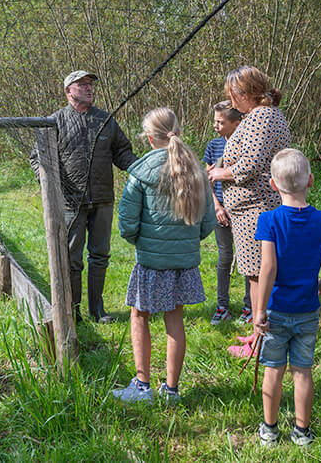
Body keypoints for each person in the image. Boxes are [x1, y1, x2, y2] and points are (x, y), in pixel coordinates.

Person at [112, 108, 216, 404]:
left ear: (149, 138)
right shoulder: (194, 168)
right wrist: (186, 241)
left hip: (151, 261)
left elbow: (127, 222)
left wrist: (142, 242)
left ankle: (143, 385)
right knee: (175, 318)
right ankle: (171, 390)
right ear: (177, 131)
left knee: (139, 315)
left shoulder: (142, 172)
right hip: (183, 261)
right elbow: (207, 221)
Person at [242, 148, 321, 447]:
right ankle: (302, 432)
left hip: (276, 310)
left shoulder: (269, 220)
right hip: (308, 309)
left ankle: (269, 429)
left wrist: (259, 312)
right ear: (311, 180)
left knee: (273, 370)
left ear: (272, 185)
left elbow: (268, 269)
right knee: (303, 371)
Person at [29, 70, 137, 323]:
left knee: (100, 256)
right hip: (70, 202)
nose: (89, 88)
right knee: (72, 258)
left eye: (90, 84)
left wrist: (142, 169)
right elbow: (37, 159)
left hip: (102, 200)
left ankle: (97, 310)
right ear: (68, 92)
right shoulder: (54, 121)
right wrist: (49, 184)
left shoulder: (105, 120)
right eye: (82, 84)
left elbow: (123, 152)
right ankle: (73, 310)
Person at [207, 66, 290, 331]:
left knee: (257, 276)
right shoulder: (265, 115)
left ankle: (259, 337)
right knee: (257, 274)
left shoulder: (260, 117)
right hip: (251, 208)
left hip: (256, 207)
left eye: (232, 93)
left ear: (245, 93)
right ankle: (259, 335)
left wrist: (219, 172)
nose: (230, 100)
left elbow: (250, 164)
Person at [202, 101, 251, 325]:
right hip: (220, 209)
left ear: (236, 123)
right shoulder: (214, 146)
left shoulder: (247, 146)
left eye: (221, 122)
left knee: (248, 259)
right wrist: (216, 206)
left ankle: (249, 306)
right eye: (215, 121)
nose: (216, 125)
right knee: (224, 257)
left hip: (243, 210)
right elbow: (207, 179)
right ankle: (222, 306)